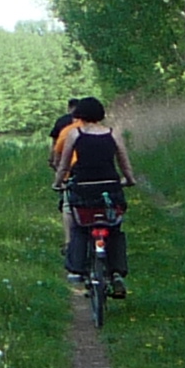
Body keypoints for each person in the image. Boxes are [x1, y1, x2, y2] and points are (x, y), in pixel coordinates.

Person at [57, 97, 134, 292]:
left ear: (80, 114)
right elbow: (124, 161)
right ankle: (116, 272)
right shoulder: (113, 133)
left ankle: (76, 269)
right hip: (110, 188)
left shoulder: (75, 134)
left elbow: (64, 164)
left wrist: (58, 183)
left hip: (83, 189)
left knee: (79, 227)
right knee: (114, 228)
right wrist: (129, 179)